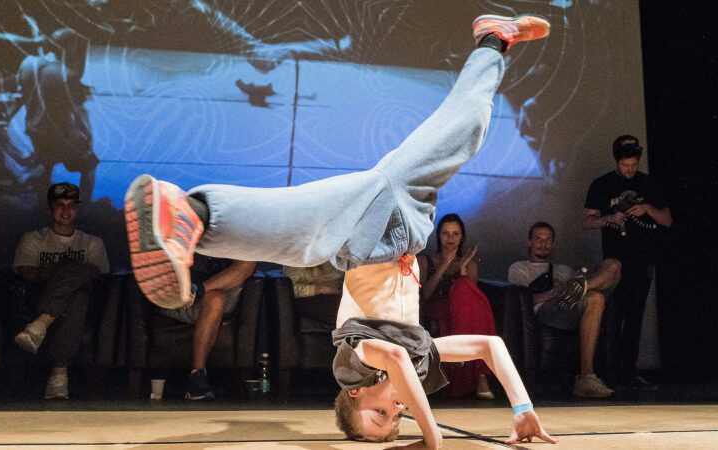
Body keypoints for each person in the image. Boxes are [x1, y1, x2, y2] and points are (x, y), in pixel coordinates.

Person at [125, 13, 556, 446]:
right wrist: (522, 408)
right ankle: (493, 40)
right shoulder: (417, 352)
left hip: (372, 233)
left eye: (380, 413)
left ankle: (192, 215)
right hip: (406, 221)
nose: (397, 409)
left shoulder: (359, 357)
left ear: (355, 392)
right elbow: (490, 347)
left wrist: (432, 437)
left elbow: (396, 362)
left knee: (307, 236)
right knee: (467, 131)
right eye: (396, 419)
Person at [582, 135, 672, 388]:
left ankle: (629, 372)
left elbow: (667, 219)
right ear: (616, 161)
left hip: (643, 260)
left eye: (633, 164)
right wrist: (610, 218)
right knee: (614, 315)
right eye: (625, 165)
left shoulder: (648, 183)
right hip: (614, 263)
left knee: (635, 316)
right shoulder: (602, 184)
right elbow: (586, 221)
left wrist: (647, 210)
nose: (630, 169)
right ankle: (610, 373)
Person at [12, 182, 109, 399]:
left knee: (81, 295)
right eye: (60, 205)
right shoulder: (33, 238)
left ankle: (40, 325)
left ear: (78, 209)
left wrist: (59, 271)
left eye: (72, 205)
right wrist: (65, 271)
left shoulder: (92, 242)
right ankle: (59, 377)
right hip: (40, 296)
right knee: (77, 292)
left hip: (83, 304)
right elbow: (28, 272)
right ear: (49, 208)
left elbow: (96, 273)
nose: (66, 211)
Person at [508, 221, 620, 398]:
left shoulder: (565, 270)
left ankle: (583, 286)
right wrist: (554, 293)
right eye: (538, 239)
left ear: (553, 243)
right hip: (546, 311)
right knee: (594, 296)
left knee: (613, 266)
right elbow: (520, 301)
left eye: (548, 239)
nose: (543, 243)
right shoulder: (519, 268)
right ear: (529, 242)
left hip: (571, 308)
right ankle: (585, 376)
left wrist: (574, 289)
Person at [417, 213, 497, 399]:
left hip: (459, 312)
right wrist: (444, 267)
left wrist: (462, 272)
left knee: (464, 288)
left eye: (455, 234)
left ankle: (478, 372)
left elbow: (471, 302)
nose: (450, 239)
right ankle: (480, 375)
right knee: (463, 291)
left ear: (462, 237)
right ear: (438, 236)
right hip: (434, 307)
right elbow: (423, 297)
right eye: (446, 233)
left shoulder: (469, 264)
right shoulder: (424, 261)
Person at [157, 254, 255, 400]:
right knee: (215, 299)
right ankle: (197, 374)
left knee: (248, 261)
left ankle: (199, 291)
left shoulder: (229, 233)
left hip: (220, 289)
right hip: (182, 298)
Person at [16, 28, 98, 202]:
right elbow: (80, 112)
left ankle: (41, 203)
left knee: (46, 163)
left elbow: (22, 91)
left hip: (33, 131)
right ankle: (84, 207)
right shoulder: (67, 76)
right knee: (91, 163)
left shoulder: (27, 63)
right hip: (58, 136)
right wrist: (88, 139)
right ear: (71, 48)